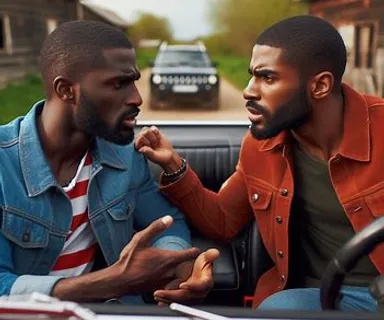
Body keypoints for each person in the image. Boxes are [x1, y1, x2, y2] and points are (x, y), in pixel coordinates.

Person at [135, 15, 384, 312]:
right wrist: (173, 165)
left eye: (268, 78)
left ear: (320, 86)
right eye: (253, 75)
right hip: (319, 297)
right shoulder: (260, 146)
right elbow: (223, 221)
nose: (248, 90)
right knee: (279, 309)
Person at [0, 20, 219, 305]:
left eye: (135, 81)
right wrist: (114, 282)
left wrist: (177, 266)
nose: (137, 98)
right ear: (67, 90)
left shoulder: (124, 154)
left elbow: (167, 224)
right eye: (119, 83)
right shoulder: (5, 164)